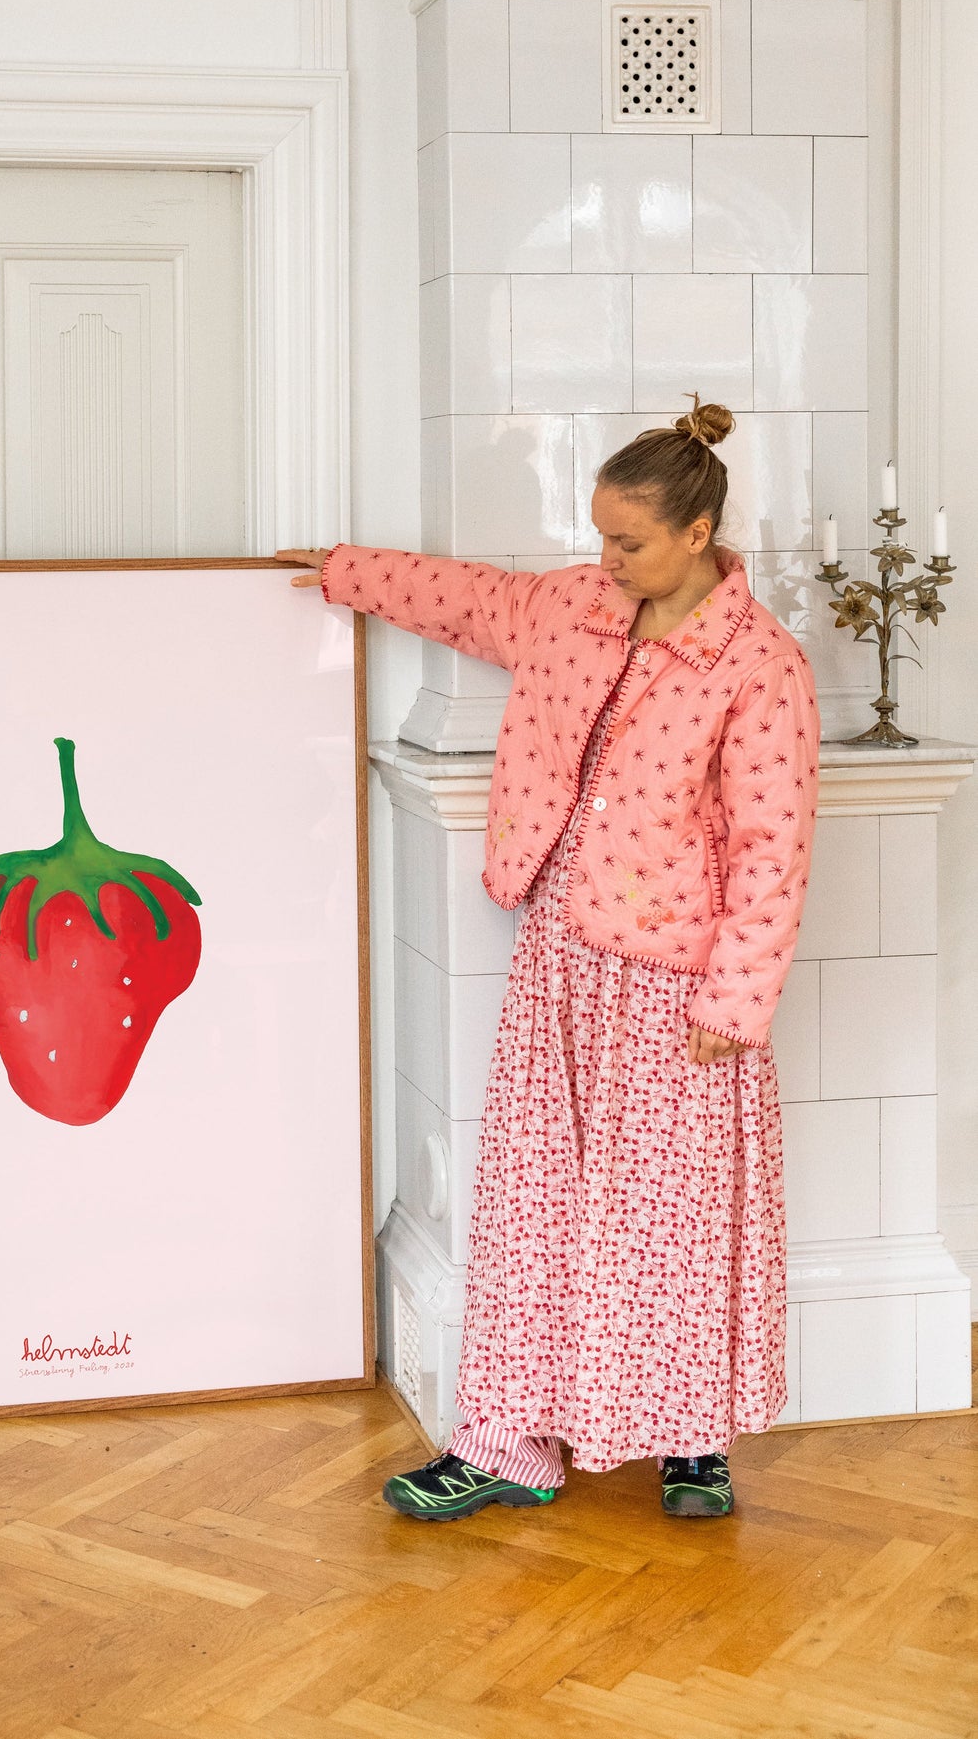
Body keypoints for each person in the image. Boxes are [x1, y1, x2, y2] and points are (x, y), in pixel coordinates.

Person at [278, 399, 818, 1520]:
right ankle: (506, 1439)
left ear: (699, 532)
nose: (606, 558)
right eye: (601, 535)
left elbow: (775, 844)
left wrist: (734, 999)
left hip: (677, 981)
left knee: (673, 1214)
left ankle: (693, 1442)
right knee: (535, 1200)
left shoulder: (759, 663)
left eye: (629, 540)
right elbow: (472, 600)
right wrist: (343, 570)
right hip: (563, 956)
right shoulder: (575, 607)